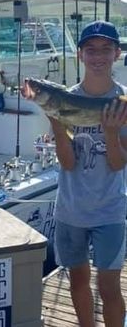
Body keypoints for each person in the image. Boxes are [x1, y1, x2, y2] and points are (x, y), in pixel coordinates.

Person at [49, 20, 127, 327]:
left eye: (105, 49)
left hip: (110, 209)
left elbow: (119, 163)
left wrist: (110, 132)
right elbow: (67, 163)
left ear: (116, 54)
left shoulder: (122, 102)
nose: (98, 57)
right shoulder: (63, 99)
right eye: (91, 49)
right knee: (77, 283)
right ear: (80, 54)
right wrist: (57, 125)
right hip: (70, 209)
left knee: (108, 287)